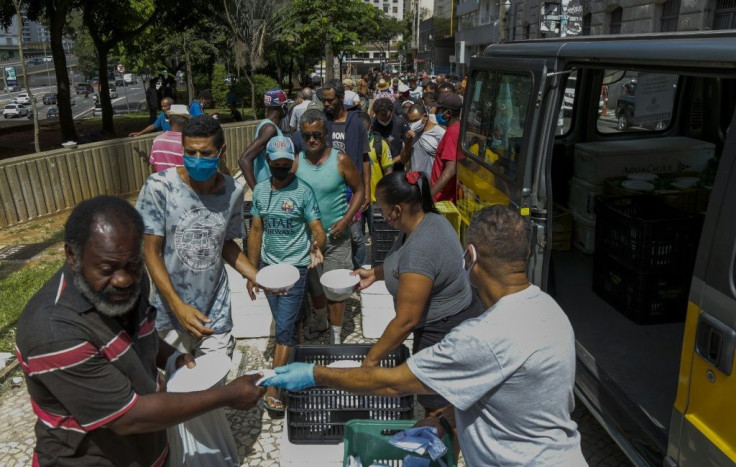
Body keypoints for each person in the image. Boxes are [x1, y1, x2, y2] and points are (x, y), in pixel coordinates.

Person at [262, 205, 587, 467]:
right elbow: (512, 398)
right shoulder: (550, 310)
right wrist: (445, 421)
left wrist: (314, 374)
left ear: (469, 256)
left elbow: (392, 383)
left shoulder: (482, 338)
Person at [15, 195, 266, 466]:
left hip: (149, 452)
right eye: (107, 268)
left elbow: (140, 335)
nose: (123, 280)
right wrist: (226, 396)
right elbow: (128, 417)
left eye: (132, 264)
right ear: (72, 256)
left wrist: (172, 358)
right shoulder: (53, 331)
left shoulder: (131, 283)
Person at [354, 170, 482, 413]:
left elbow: (406, 320)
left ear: (397, 210)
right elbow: (400, 265)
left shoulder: (422, 248)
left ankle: (444, 447)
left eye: (382, 208)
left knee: (439, 409)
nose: (380, 214)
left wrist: (371, 360)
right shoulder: (425, 221)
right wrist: (374, 273)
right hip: (441, 323)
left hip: (443, 331)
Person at [136, 115, 258, 360]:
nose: (197, 160)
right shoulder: (160, 187)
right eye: (190, 152)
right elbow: (151, 251)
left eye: (205, 153)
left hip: (215, 307)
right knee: (179, 384)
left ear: (221, 151)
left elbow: (224, 243)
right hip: (170, 311)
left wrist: (257, 276)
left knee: (215, 380)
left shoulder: (233, 191)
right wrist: (177, 306)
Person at [248, 135, 326, 414]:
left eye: (286, 163)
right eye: (276, 163)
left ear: (293, 162)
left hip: (295, 270)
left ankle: (273, 387)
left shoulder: (303, 192)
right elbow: (256, 231)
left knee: (282, 328)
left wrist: (318, 243)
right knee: (290, 324)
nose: (281, 168)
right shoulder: (259, 191)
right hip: (269, 269)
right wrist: (251, 271)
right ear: (267, 162)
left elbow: (317, 227)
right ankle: (297, 364)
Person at [295, 109, 365, 344]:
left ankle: (335, 338)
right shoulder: (297, 162)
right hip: (308, 240)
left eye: (316, 134)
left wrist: (346, 219)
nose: (312, 140)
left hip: (336, 239)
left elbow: (359, 190)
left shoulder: (341, 160)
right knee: (315, 286)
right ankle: (320, 322)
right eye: (306, 136)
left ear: (325, 133)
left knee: (336, 289)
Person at [320, 79, 371, 270]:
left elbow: (365, 159)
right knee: (330, 232)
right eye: (324, 100)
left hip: (352, 191)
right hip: (328, 190)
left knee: (357, 236)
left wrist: (366, 189)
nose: (326, 104)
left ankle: (358, 272)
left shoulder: (356, 124)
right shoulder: (323, 123)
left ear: (341, 98)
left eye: (330, 100)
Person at [238, 89, 289, 190]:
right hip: (268, 188)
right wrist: (256, 192)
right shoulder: (270, 128)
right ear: (282, 106)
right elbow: (244, 159)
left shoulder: (265, 124)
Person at [430, 93, 464, 202]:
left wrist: (429, 196)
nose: (435, 112)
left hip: (441, 198)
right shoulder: (458, 129)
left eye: (439, 110)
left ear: (448, 113)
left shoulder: (452, 133)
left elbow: (451, 169)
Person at [400, 104, 445, 178]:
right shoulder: (411, 133)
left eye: (415, 120)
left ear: (425, 117)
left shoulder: (440, 133)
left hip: (432, 181)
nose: (412, 124)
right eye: (410, 121)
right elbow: (403, 159)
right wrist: (408, 141)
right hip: (414, 181)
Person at [148, 104, 190, 172]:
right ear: (186, 123)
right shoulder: (186, 142)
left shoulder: (157, 140)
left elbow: (153, 165)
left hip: (162, 180)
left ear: (169, 122)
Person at [371, 97, 409, 165]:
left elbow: (409, 146)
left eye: (387, 116)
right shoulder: (371, 125)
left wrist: (393, 161)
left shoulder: (400, 122)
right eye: (382, 116)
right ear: (376, 114)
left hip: (397, 166)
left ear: (391, 111)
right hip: (377, 167)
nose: (385, 119)